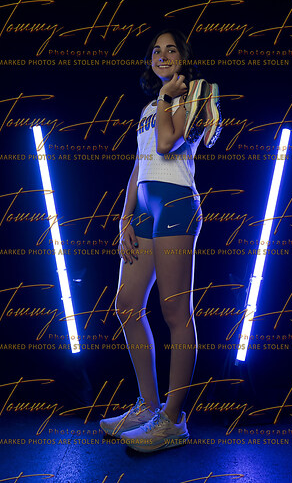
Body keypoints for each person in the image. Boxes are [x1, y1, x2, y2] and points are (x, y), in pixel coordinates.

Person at [99, 29, 221, 452]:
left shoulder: (192, 96)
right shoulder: (151, 106)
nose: (163, 55)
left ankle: (172, 420)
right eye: (156, 50)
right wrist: (124, 218)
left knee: (175, 312)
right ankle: (148, 407)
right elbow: (140, 162)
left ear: (184, 58)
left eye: (171, 50)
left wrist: (170, 96)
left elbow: (169, 144)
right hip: (145, 209)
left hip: (176, 204)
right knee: (127, 305)